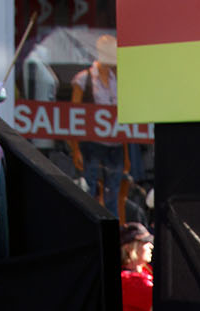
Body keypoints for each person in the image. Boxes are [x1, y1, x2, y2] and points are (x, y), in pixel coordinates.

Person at [70, 35, 127, 217]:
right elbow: (72, 116)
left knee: (113, 194)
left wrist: (126, 152)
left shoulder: (118, 80)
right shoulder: (84, 79)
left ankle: (112, 228)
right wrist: (75, 149)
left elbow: (122, 116)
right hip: (92, 144)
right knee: (89, 191)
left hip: (115, 145)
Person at [120, 221, 153, 311]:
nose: (151, 246)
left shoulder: (147, 270)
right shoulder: (127, 280)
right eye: (145, 242)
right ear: (129, 248)